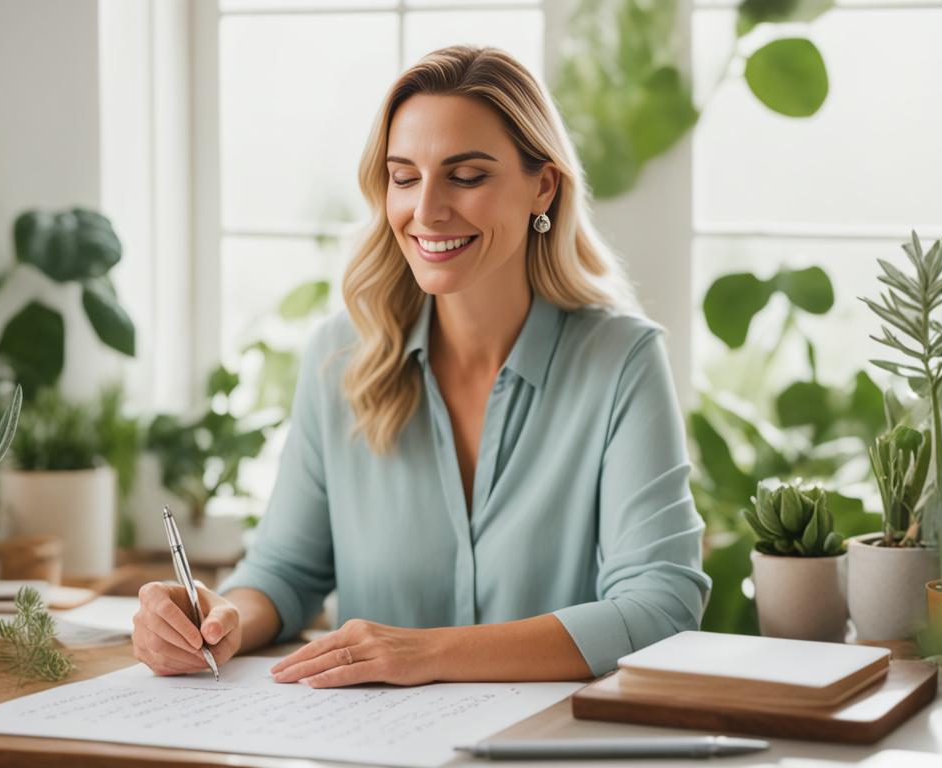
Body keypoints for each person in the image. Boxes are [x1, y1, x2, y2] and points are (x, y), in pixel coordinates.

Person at [132, 45, 709, 687]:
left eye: (465, 176)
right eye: (404, 177)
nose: (427, 210)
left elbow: (661, 609)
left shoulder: (620, 362)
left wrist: (428, 655)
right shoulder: (339, 358)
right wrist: (219, 617)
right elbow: (285, 573)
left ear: (541, 185)